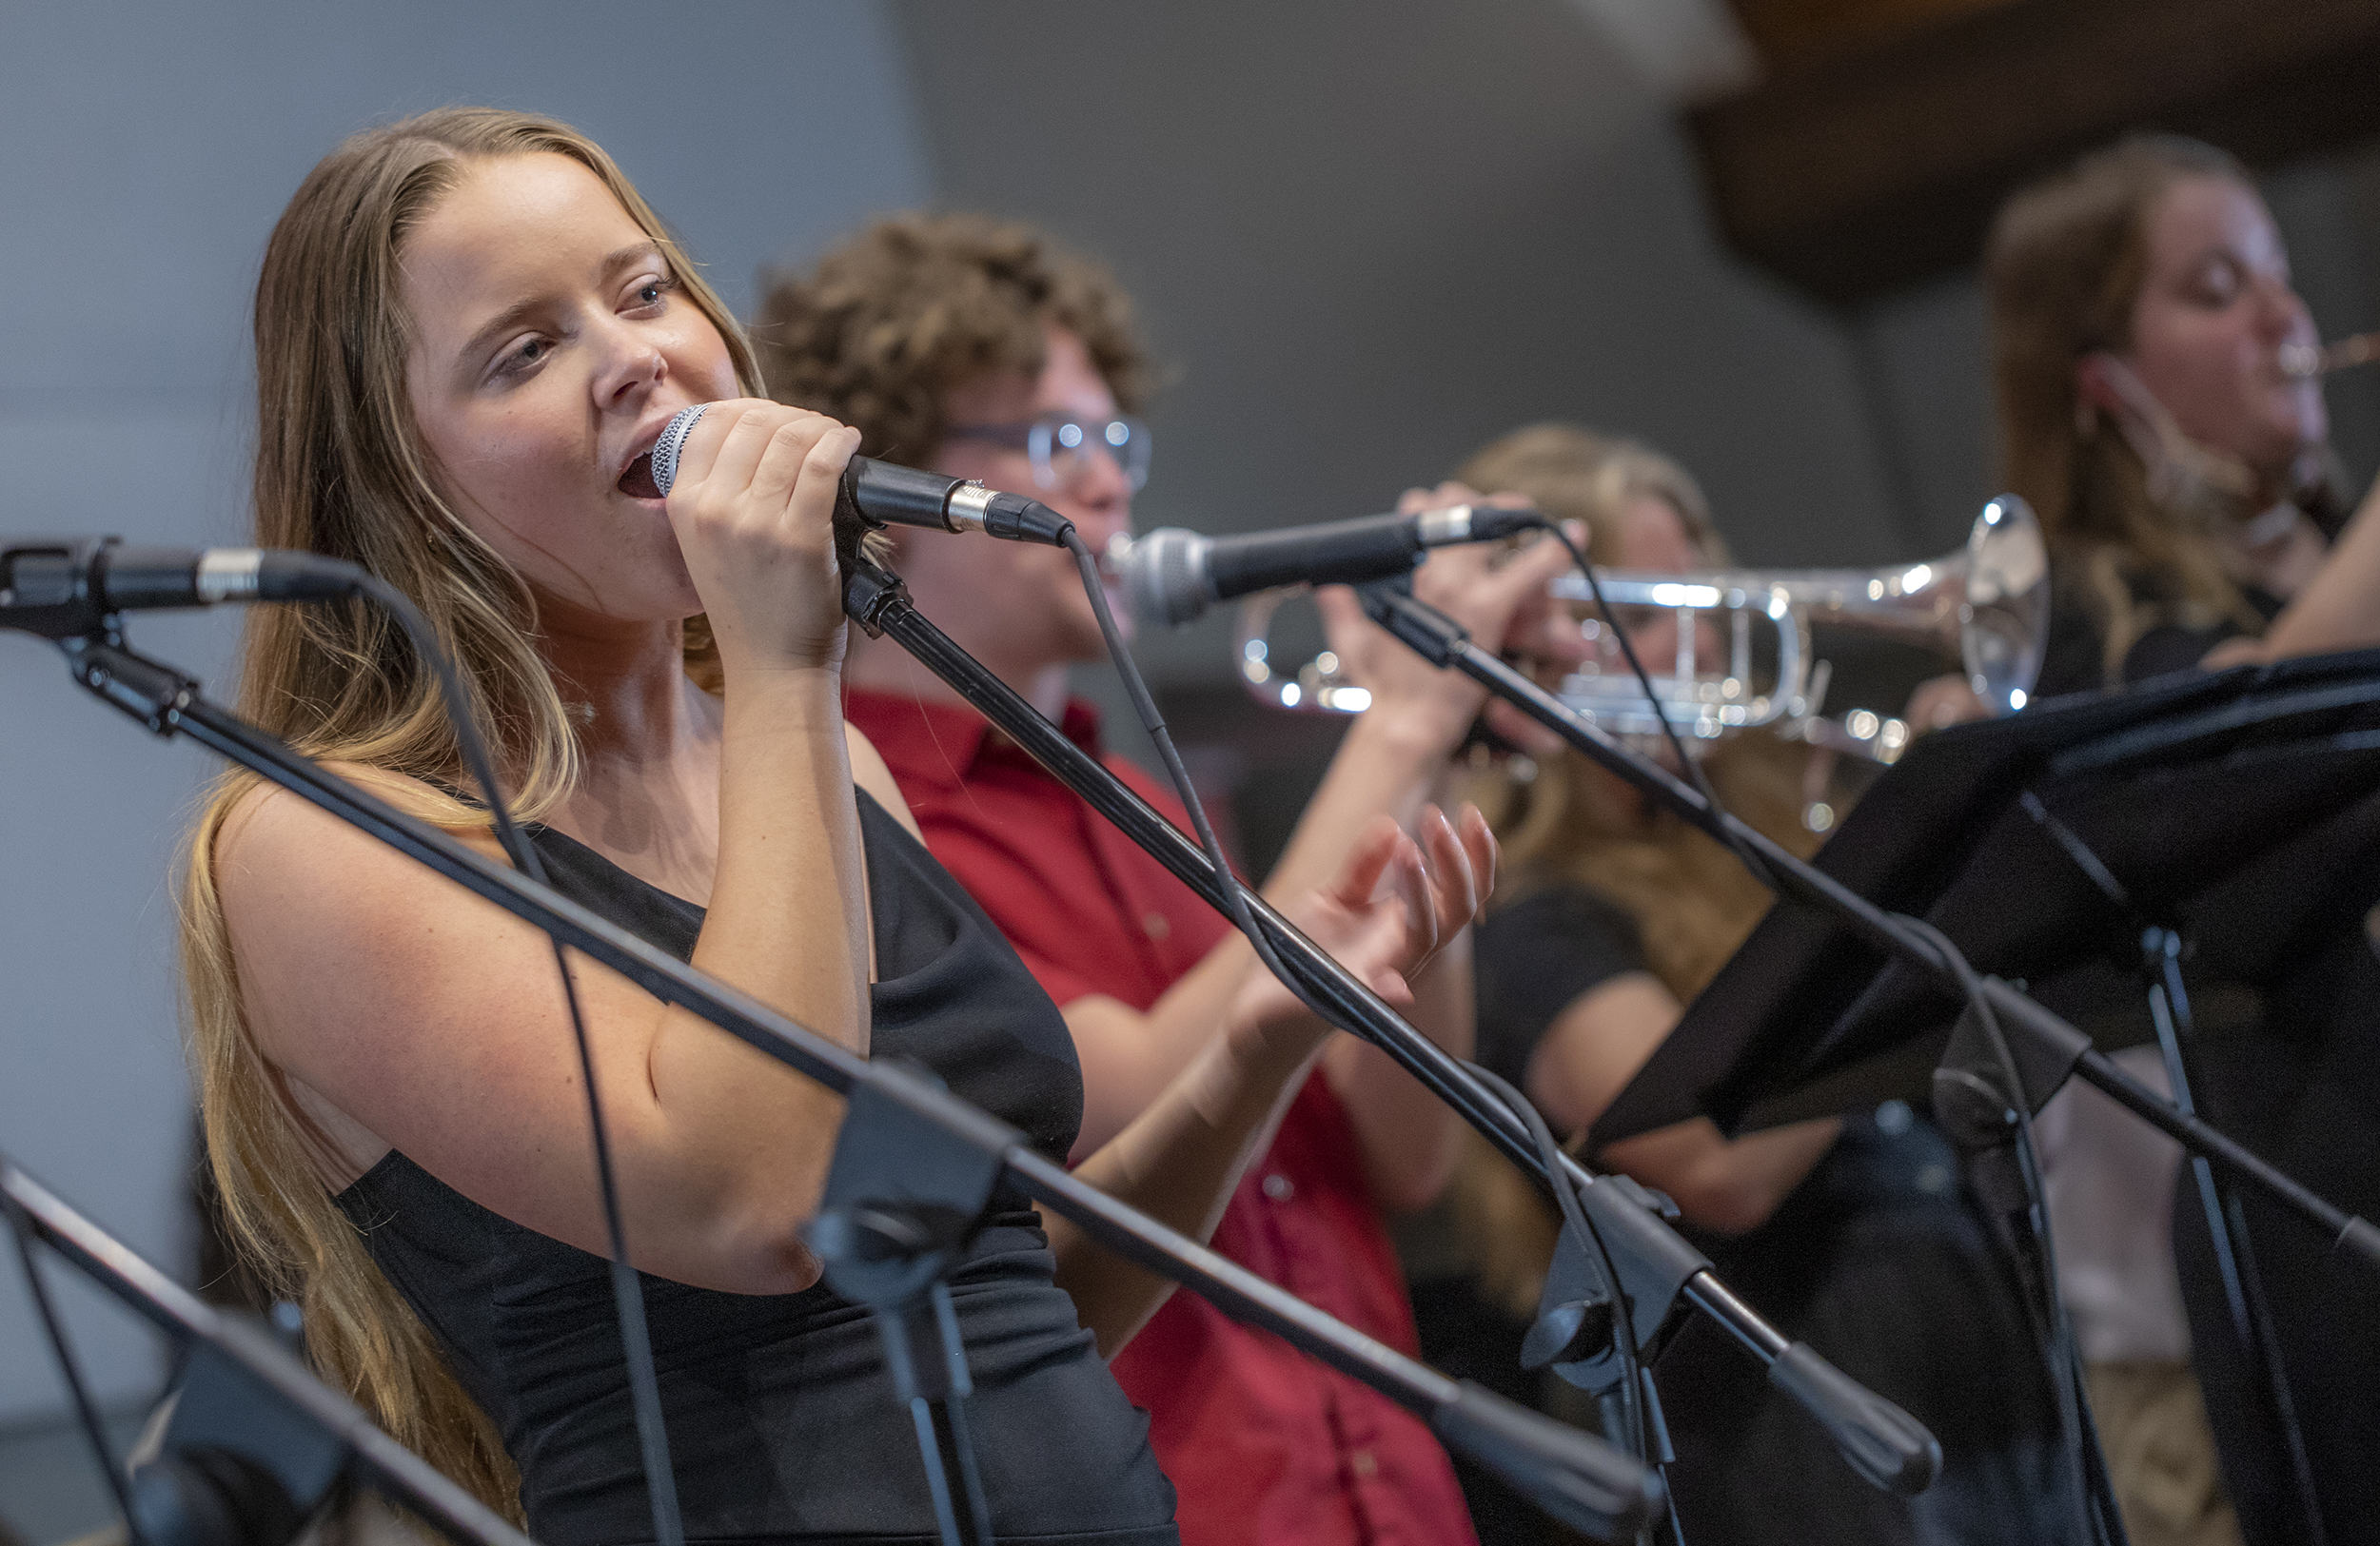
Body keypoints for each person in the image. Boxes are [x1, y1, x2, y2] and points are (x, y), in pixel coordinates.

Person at [180, 108, 1494, 1544]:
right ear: (400, 492)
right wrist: (784, 661)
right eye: (524, 350)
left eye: (641, 290)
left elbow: (987, 1300)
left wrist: (1247, 1056)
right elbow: (758, 1199)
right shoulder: (316, 845)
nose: (635, 358)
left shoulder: (827, 769)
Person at [763, 213, 1571, 1546]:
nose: (1107, 486)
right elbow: (1119, 1091)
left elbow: (1399, 1152)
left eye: (1112, 441)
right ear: (892, 495)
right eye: (1052, 442)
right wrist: (1399, 732)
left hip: (1387, 1491)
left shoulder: (1151, 806)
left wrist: (1438, 763)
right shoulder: (863, 819)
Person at [1986, 132, 2380, 1546]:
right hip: (2348, 1224)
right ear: (2101, 386)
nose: (2280, 318)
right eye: (2212, 288)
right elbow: (2288, 720)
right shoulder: (2074, 623)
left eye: (2277, 276)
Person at [1445, 423, 2079, 1546]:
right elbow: (1715, 1162)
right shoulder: (1525, 915)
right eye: (1639, 616)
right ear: (1526, 653)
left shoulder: (1753, 829)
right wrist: (1910, 861)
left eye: (1700, 600)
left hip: (1959, 1334)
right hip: (1777, 1398)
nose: (1691, 645)